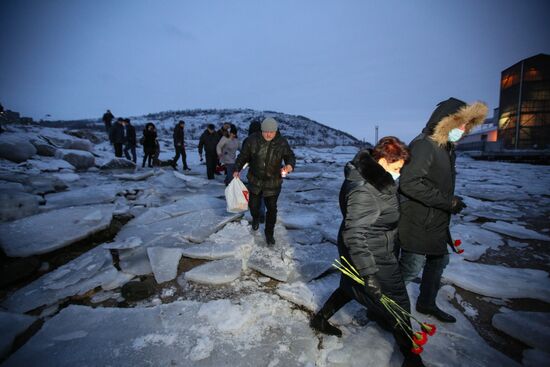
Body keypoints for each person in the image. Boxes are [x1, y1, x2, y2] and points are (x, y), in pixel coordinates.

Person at [309, 137, 423, 367]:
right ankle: (412, 357)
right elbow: (355, 234)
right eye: (397, 168)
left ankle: (320, 319)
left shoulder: (374, 177)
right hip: (372, 253)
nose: (399, 173)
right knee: (399, 302)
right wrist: (369, 273)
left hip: (374, 245)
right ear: (382, 160)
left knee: (350, 286)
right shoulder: (364, 189)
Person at [398, 98, 488, 323]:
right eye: (460, 124)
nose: (463, 130)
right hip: (417, 220)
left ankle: (426, 303)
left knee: (439, 261)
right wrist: (448, 202)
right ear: (445, 121)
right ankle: (380, 304)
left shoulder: (446, 146)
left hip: (435, 219)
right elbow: (409, 183)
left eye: (467, 126)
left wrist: (450, 203)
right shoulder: (425, 145)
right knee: (411, 268)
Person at [233, 117, 295, 245]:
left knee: (272, 209)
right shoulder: (252, 140)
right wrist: (237, 168)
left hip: (273, 182)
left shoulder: (282, 142)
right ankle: (255, 218)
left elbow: (290, 156)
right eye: (265, 131)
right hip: (255, 180)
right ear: (261, 130)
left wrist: (289, 165)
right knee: (253, 206)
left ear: (275, 131)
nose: (268, 134)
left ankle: (269, 234)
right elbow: (243, 156)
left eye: (271, 132)